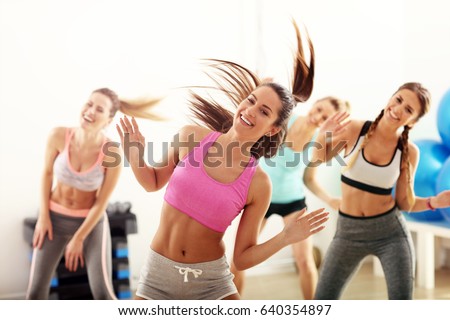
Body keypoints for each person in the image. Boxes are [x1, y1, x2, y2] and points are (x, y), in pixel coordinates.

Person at [116, 21, 329, 300]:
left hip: (211, 282)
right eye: (251, 101)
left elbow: (241, 259)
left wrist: (286, 237)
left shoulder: (258, 183)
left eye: (264, 111)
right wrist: (135, 153)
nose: (250, 111)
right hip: (158, 275)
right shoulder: (191, 136)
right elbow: (152, 182)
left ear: (273, 128)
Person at [312, 82, 450, 299]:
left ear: (412, 121)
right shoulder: (355, 129)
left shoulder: (408, 152)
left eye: (408, 110)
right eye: (399, 100)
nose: (398, 109)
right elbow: (318, 158)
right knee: (323, 299)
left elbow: (405, 203)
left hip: (390, 234)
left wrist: (435, 201)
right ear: (391, 97)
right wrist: (323, 135)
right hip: (348, 233)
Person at [26, 88, 161, 299]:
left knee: (103, 294)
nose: (90, 111)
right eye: (89, 104)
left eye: (99, 109)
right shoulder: (58, 135)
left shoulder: (112, 151)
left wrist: (79, 237)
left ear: (109, 118)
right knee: (35, 294)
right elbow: (46, 174)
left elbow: (102, 202)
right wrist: (43, 217)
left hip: (91, 223)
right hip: (53, 219)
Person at [230, 95, 351, 299]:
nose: (318, 116)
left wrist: (330, 200)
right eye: (319, 109)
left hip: (293, 202)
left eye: (325, 117)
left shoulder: (317, 141)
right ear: (314, 104)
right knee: (238, 261)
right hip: (260, 199)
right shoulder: (285, 119)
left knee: (305, 261)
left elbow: (309, 179)